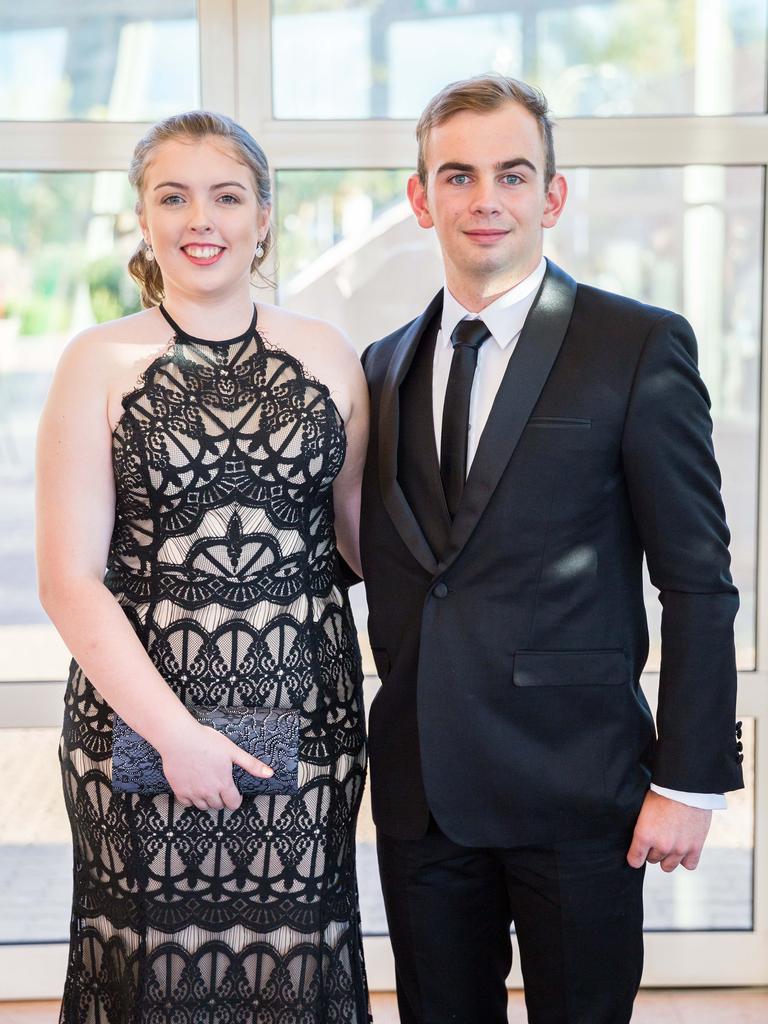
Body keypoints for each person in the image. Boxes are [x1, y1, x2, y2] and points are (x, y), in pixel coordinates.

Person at [358, 75, 744, 1023]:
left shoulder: (638, 346)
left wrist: (688, 778)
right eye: (457, 176)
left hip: (580, 792)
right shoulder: (380, 364)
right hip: (424, 796)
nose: (484, 199)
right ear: (421, 200)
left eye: (512, 174)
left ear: (552, 197)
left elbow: (697, 580)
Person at [36, 111, 370, 1022]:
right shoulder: (96, 361)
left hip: (308, 716)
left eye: (227, 196)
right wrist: (178, 737)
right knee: (153, 974)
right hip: (139, 723)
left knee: (294, 966)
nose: (201, 219)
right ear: (143, 219)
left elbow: (360, 542)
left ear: (264, 214)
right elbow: (68, 580)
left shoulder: (333, 358)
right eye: (172, 196)